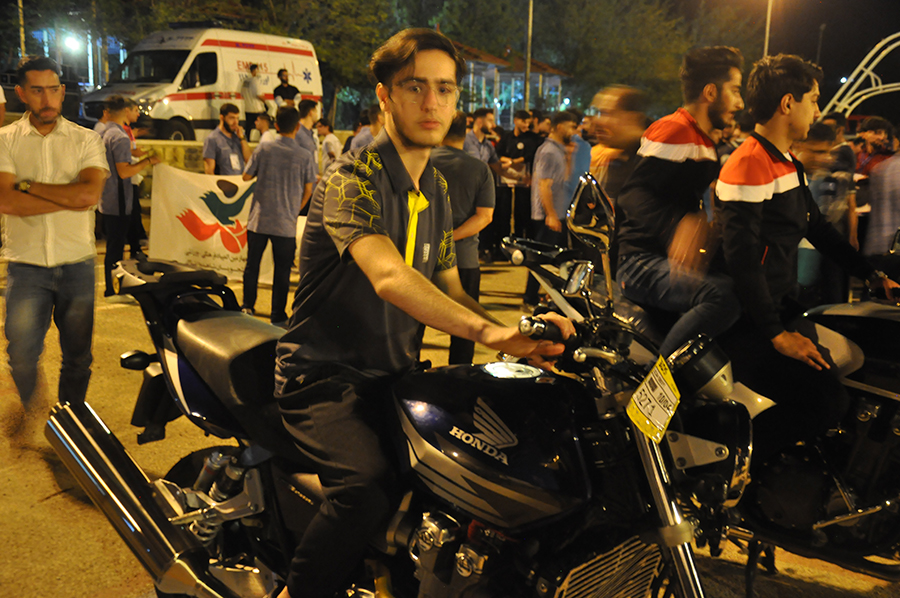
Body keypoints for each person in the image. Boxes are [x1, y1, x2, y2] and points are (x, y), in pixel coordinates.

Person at [273, 29, 571, 598]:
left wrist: (521, 333)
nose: (431, 102)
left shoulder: (435, 189)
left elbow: (449, 288)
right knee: (367, 488)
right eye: (414, 87)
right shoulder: (350, 180)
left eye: (445, 89)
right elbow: (389, 277)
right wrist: (489, 332)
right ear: (384, 96)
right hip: (324, 377)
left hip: (395, 375)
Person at [716, 53, 899, 467]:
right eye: (813, 100)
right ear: (788, 103)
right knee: (825, 402)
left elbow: (818, 230)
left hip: (780, 307)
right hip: (746, 321)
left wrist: (871, 275)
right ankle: (731, 471)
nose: (817, 112)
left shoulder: (786, 163)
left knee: (858, 366)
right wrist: (777, 334)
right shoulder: (749, 163)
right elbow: (742, 260)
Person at [614, 46, 745, 357]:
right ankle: (660, 381)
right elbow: (634, 197)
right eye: (735, 91)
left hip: (667, 261)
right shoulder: (676, 130)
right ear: (711, 92)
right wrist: (684, 224)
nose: (740, 103)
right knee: (723, 298)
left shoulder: (702, 140)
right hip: (640, 263)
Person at [0, 56, 109, 417]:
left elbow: (89, 195)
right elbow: (6, 202)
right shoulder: (4, 141)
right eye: (37, 91)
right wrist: (67, 197)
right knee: (20, 354)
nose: (46, 99)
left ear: (63, 92)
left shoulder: (87, 139)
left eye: (53, 90)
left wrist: (28, 186)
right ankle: (32, 408)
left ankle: (69, 419)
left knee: (78, 355)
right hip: (26, 264)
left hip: (77, 263)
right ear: (21, 94)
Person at [430, 111, 496, 364]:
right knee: (465, 328)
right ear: (465, 132)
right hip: (464, 258)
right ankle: (459, 376)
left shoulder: (422, 163)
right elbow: (484, 217)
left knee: (412, 325)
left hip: (421, 256)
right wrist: (451, 237)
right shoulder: (479, 169)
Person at [241, 106, 316, 326]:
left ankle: (247, 306)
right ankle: (277, 315)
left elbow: (246, 176)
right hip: (285, 223)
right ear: (297, 127)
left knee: (252, 266)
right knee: (282, 271)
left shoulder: (263, 149)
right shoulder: (305, 156)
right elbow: (309, 189)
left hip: (259, 220)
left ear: (276, 126)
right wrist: (295, 209)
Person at [99, 95, 161, 300]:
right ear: (125, 111)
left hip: (108, 196)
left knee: (114, 246)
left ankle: (113, 288)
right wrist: (148, 161)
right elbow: (124, 171)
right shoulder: (120, 137)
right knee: (116, 248)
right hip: (118, 198)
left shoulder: (105, 133)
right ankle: (113, 290)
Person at [522, 111, 579, 309]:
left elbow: (564, 180)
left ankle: (548, 297)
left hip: (558, 213)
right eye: (571, 127)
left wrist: (570, 157)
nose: (574, 131)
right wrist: (551, 214)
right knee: (541, 258)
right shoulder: (548, 151)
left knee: (557, 259)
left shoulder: (558, 150)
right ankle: (529, 298)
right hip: (549, 215)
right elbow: (543, 185)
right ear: (559, 126)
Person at [794, 122, 855, 305]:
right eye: (817, 152)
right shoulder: (788, 178)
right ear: (798, 146)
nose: (825, 159)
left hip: (819, 259)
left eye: (828, 152)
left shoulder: (826, 178)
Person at [489, 109, 542, 260]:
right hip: (506, 182)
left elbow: (531, 156)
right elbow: (497, 154)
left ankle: (523, 248)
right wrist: (507, 161)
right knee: (504, 214)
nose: (526, 125)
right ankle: (503, 249)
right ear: (516, 121)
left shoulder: (533, 138)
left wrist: (513, 162)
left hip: (525, 183)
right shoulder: (507, 137)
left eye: (528, 122)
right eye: (523, 122)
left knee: (522, 215)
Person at [590, 85, 648, 200]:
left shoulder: (655, 163)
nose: (597, 121)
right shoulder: (618, 159)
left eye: (606, 113)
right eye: (597, 113)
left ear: (632, 118)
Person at [203, 103, 251, 175]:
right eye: (232, 118)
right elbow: (209, 170)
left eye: (237, 118)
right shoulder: (212, 139)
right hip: (223, 179)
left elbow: (249, 161)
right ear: (222, 118)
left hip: (239, 178)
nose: (235, 122)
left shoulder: (239, 136)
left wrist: (242, 139)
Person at [242, 64, 267, 131]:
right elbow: (259, 95)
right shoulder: (256, 80)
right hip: (256, 109)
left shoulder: (245, 81)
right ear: (254, 70)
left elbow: (242, 93)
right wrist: (267, 103)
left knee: (248, 129)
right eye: (258, 70)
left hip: (248, 109)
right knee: (259, 128)